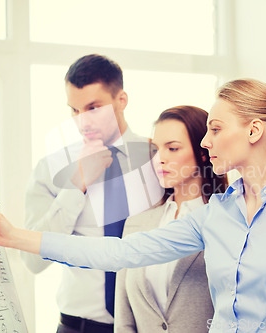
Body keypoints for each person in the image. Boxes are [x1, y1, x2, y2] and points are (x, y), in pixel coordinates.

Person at [0, 78, 266, 332]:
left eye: (216, 129)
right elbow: (119, 253)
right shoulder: (215, 216)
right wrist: (15, 236)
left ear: (254, 132)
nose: (206, 141)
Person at [22, 54, 162, 333]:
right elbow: (33, 261)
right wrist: (77, 184)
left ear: (121, 100)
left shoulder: (158, 159)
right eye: (74, 110)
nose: (82, 121)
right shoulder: (51, 168)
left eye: (93, 108)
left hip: (149, 324)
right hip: (79, 327)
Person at [114, 105, 228, 332]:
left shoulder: (226, 222)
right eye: (156, 150)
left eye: (173, 148)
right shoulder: (136, 223)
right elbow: (124, 318)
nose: (160, 159)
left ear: (203, 153)